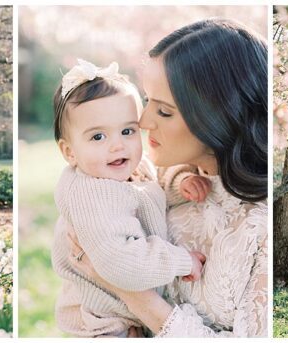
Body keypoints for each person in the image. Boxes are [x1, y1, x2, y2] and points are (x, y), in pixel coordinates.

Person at [58, 18, 269, 337]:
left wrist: (135, 297)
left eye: (164, 111)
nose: (141, 122)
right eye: (146, 101)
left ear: (219, 117)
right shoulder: (116, 181)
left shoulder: (262, 225)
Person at [48, 58, 205, 337]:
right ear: (69, 152)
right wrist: (182, 261)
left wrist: (180, 182)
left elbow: (149, 188)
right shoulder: (92, 194)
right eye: (97, 137)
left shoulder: (125, 166)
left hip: (129, 313)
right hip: (105, 324)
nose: (117, 144)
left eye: (127, 131)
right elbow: (123, 263)